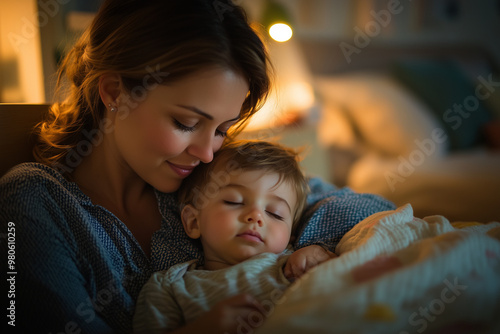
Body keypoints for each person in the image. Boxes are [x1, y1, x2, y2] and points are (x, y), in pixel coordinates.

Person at [0, 0, 272, 333]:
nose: (207, 154)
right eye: (185, 122)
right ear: (115, 92)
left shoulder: (211, 179)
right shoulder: (33, 202)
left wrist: (317, 250)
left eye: (221, 130)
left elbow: (328, 203)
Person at [133, 140, 337, 334]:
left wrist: (318, 255)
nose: (256, 217)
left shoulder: (293, 266)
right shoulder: (170, 286)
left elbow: (345, 292)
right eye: (234, 201)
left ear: (290, 236)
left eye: (275, 213)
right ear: (194, 222)